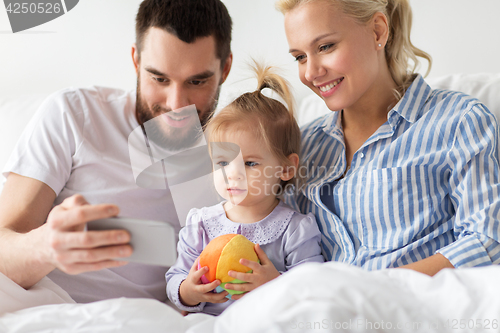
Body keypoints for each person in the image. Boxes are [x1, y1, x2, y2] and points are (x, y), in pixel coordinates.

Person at [0, 0, 232, 303]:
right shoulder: (75, 115)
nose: (177, 104)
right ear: (136, 61)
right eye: (159, 78)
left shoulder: (236, 157)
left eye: (197, 81)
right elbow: (4, 244)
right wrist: (46, 247)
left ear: (225, 68)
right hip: (49, 310)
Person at [276, 0, 500, 275]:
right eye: (300, 57)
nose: (310, 73)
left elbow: (486, 241)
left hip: (416, 310)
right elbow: (282, 245)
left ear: (378, 32)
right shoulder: (302, 147)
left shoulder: (460, 120)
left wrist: (378, 289)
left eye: (325, 47)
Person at [165, 64, 325, 316]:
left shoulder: (296, 229)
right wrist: (188, 291)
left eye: (250, 163)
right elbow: (176, 276)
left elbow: (314, 287)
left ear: (286, 168)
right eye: (222, 162)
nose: (233, 173)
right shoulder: (201, 225)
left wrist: (275, 282)